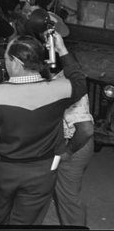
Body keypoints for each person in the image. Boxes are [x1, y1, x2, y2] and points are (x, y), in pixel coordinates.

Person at [0, 32, 87, 225]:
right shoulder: (61, 89)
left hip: (5, 168)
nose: (5, 62)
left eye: (6, 57)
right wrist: (62, 49)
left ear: (16, 62)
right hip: (44, 170)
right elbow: (79, 81)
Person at [51, 69, 94, 226]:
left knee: (69, 199)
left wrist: (67, 152)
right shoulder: (67, 81)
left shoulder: (64, 87)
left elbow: (86, 129)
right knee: (65, 191)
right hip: (75, 144)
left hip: (74, 145)